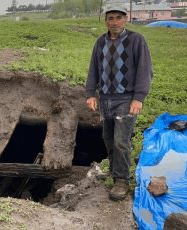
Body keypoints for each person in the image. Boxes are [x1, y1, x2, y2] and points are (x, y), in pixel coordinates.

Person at [85, 6, 153, 201]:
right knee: (108, 138)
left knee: (121, 141)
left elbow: (145, 70)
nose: (114, 22)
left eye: (118, 18)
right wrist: (91, 93)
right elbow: (93, 70)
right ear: (105, 21)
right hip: (105, 98)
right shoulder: (100, 42)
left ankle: (122, 181)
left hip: (126, 98)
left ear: (126, 19)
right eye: (110, 18)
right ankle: (115, 172)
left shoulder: (136, 40)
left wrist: (138, 98)